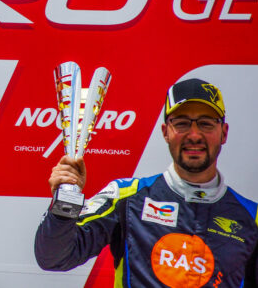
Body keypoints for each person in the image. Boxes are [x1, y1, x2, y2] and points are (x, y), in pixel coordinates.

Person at [35, 77, 258, 287]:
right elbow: (55, 258)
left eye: (206, 123)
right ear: (165, 132)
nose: (194, 135)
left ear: (224, 133)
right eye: (182, 123)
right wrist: (65, 202)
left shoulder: (252, 218)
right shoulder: (125, 196)